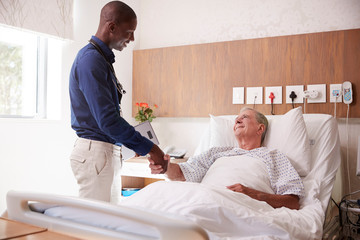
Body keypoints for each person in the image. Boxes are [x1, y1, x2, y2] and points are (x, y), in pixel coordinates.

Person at [69, 1, 165, 202]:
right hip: (95, 153)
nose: (132, 38)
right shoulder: (91, 60)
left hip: (103, 152)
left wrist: (134, 145)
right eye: (129, 31)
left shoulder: (101, 60)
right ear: (111, 27)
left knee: (107, 225)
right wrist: (150, 148)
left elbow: (107, 121)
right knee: (94, 227)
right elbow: (108, 121)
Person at [149, 107, 304, 210]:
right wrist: (165, 166)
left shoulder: (274, 157)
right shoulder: (217, 153)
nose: (237, 121)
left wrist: (255, 194)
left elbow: (292, 202)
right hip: (202, 200)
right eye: (236, 119)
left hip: (242, 206)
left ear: (260, 128)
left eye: (244, 117)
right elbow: (183, 174)